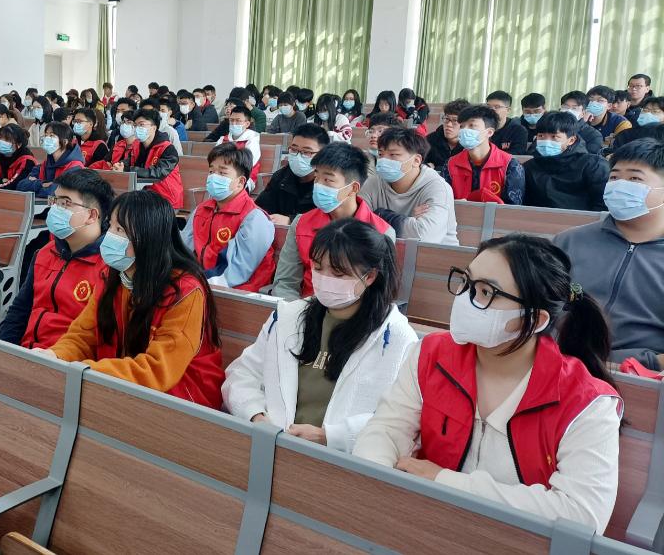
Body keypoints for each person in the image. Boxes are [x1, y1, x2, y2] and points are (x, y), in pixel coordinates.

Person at [353, 235, 622, 535]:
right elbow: (386, 430)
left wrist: (444, 482)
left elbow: (582, 515)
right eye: (465, 282)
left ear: (535, 320)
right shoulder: (432, 355)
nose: (464, 298)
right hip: (422, 526)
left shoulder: (587, 403)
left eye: (485, 292)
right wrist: (376, 488)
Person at [223, 219, 417, 450]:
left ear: (370, 276)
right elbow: (242, 374)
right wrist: (256, 415)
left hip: (339, 461)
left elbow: (400, 420)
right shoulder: (288, 317)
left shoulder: (397, 338)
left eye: (338, 273)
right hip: (272, 446)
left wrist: (329, 436)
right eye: (317, 268)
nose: (324, 279)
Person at [42, 190, 225, 408]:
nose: (109, 236)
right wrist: (55, 356)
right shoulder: (113, 276)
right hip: (122, 386)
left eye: (120, 230)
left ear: (148, 240)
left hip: (182, 400)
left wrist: (86, 372)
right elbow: (83, 336)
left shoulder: (185, 292)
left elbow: (158, 370)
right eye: (110, 226)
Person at [554, 138, 664, 369]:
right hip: (558, 363)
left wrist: (643, 365)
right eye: (614, 178)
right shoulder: (569, 241)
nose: (619, 186)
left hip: (636, 375)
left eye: (634, 179)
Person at [0, 169, 113, 347]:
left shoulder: (109, 266)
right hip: (27, 353)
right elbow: (19, 311)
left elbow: (101, 338)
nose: (55, 209)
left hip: (68, 359)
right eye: (55, 201)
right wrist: (2, 352)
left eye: (65, 203)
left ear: (91, 215)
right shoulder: (45, 253)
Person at [272, 143, 394, 300]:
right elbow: (285, 282)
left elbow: (378, 292)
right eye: (316, 178)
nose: (318, 185)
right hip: (305, 307)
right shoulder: (301, 223)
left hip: (355, 310)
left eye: (328, 180)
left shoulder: (382, 232)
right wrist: (296, 310)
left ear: (353, 188)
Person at [181, 144, 276, 291]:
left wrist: (193, 283)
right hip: (202, 284)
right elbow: (182, 250)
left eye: (222, 173)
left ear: (240, 182)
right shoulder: (201, 210)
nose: (213, 177)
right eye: (211, 171)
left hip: (239, 292)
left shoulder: (254, 218)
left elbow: (237, 272)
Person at [361, 128, 458, 245]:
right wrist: (408, 220)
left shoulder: (438, 187)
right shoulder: (373, 183)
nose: (383, 160)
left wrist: (378, 214)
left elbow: (425, 236)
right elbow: (354, 223)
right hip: (384, 251)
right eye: (381, 154)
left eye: (393, 155)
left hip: (433, 254)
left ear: (416, 160)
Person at [523, 112, 608, 212]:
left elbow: (602, 204)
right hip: (537, 219)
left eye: (554, 137)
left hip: (583, 220)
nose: (546, 141)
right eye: (541, 136)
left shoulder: (593, 165)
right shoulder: (529, 167)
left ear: (571, 140)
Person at [441, 105, 524, 205]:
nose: (464, 130)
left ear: (489, 132)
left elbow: (512, 209)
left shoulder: (510, 166)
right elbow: (442, 201)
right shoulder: (450, 164)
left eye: (472, 125)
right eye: (462, 126)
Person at [256, 124, 329, 225]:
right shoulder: (281, 177)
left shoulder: (328, 184)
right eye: (294, 150)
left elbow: (329, 220)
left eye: (306, 152)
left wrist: (292, 221)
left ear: (322, 155)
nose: (298, 156)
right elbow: (261, 207)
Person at [112, 109, 183, 208]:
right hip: (144, 196)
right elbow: (129, 161)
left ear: (154, 128)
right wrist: (120, 165)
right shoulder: (136, 145)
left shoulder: (168, 149)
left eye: (141, 124)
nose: (137, 128)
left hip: (166, 200)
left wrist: (127, 169)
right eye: (135, 125)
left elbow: (158, 173)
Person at [18, 121, 85, 198]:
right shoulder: (45, 164)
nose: (46, 138)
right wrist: (41, 184)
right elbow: (21, 186)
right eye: (46, 135)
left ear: (65, 142)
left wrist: (34, 185)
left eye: (52, 136)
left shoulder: (75, 167)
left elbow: (55, 192)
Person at [215, 105, 261, 189]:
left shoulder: (252, 139)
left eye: (238, 121)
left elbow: (247, 162)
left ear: (247, 124)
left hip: (244, 178)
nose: (234, 123)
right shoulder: (222, 139)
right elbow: (214, 159)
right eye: (231, 120)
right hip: (221, 175)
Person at [0, 124, 36, 190]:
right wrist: (0, 180)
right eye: (0, 138)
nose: (2, 142)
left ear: (19, 144)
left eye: (7, 139)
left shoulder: (27, 161)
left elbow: (14, 186)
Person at [425, 99, 468, 169]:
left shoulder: (470, 145)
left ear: (465, 123)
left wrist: (437, 168)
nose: (449, 124)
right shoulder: (429, 140)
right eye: (447, 119)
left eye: (455, 120)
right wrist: (427, 167)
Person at [585, 85, 632, 150]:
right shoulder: (579, 117)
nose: (594, 103)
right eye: (591, 99)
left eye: (600, 100)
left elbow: (622, 149)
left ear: (609, 106)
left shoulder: (620, 123)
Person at [482, 91, 527, 155]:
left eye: (497, 107)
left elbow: (517, 154)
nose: (491, 110)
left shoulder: (518, 130)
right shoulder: (480, 127)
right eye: (488, 107)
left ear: (508, 110)